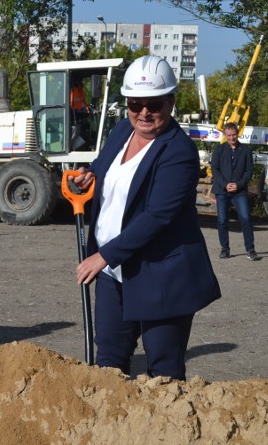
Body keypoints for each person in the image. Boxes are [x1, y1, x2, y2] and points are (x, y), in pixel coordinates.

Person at [70, 55, 220, 380]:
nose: (144, 112)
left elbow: (157, 216)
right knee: (108, 363)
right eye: (135, 103)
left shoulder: (178, 152)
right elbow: (104, 166)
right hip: (115, 272)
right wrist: (89, 175)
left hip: (161, 276)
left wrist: (103, 255)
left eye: (154, 104)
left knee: (163, 371)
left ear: (171, 102)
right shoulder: (123, 129)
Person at [211, 122, 259, 261]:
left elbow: (249, 171)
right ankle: (225, 249)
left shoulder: (246, 150)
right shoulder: (219, 149)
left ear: (238, 134)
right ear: (225, 135)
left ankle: (250, 249)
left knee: (245, 219)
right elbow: (215, 169)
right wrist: (225, 184)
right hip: (222, 190)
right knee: (222, 220)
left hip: (240, 191)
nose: (232, 137)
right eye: (229, 135)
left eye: (234, 135)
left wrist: (239, 184)